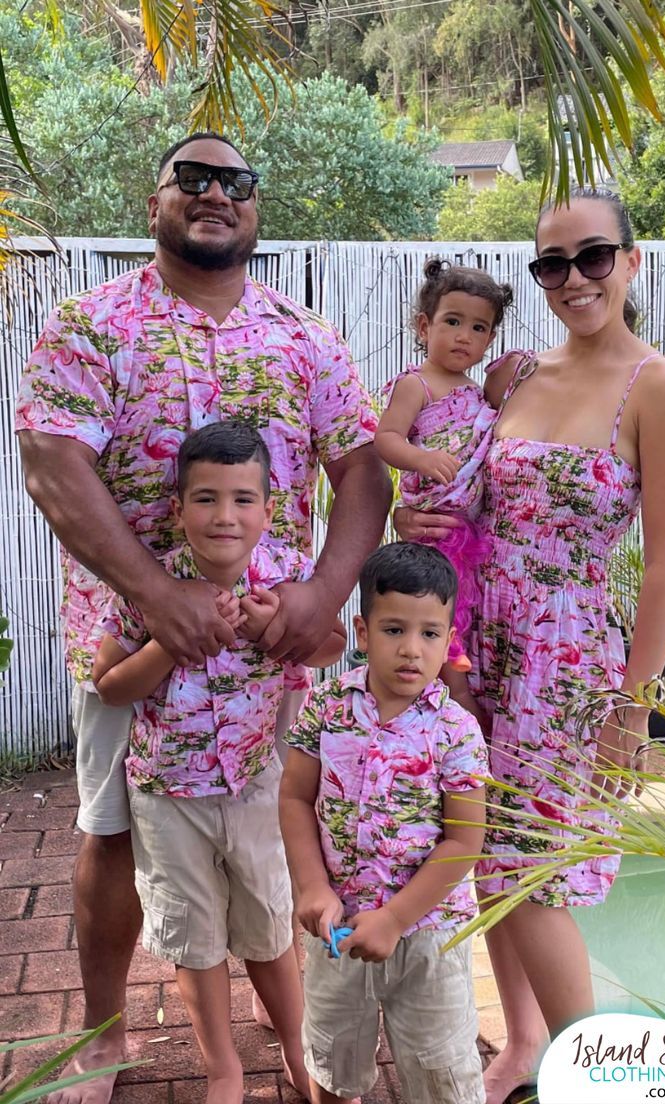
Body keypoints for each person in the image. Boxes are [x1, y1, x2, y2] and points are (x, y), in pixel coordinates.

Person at [15, 132, 391, 1104]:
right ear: (155, 203)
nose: (215, 194)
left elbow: (359, 469)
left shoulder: (303, 337)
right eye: (193, 178)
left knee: (269, 837)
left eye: (236, 182)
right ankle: (99, 1041)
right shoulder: (91, 327)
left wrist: (320, 596)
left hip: (267, 657)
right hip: (128, 647)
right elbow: (53, 463)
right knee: (109, 836)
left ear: (256, 209)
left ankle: (290, 1032)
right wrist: (154, 595)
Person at [396, 188, 665, 1104]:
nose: (574, 279)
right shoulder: (514, 377)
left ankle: (593, 1068)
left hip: (563, 663)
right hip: (474, 637)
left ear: (632, 260)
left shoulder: (659, 385)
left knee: (530, 862)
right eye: (552, 265)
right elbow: (470, 493)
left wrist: (633, 707)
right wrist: (422, 515)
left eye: (594, 256)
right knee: (482, 841)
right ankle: (525, 1039)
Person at [93, 421, 346, 1102]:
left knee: (269, 926)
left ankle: (298, 1051)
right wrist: (171, 640)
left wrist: (278, 629)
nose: (224, 516)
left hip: (260, 788)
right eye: (205, 498)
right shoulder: (150, 584)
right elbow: (110, 685)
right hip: (168, 796)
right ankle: (224, 1069)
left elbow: (331, 643)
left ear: (270, 508)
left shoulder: (288, 574)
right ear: (176, 508)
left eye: (242, 499)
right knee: (195, 941)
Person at [280, 542, 489, 1104]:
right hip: (339, 928)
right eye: (394, 629)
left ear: (449, 640)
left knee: (441, 1072)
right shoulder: (325, 709)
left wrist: (396, 918)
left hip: (430, 937)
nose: (412, 650)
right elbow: (296, 799)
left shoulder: (457, 731)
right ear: (363, 632)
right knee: (333, 1062)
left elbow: (465, 840)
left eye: (430, 633)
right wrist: (311, 886)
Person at [375, 258, 511, 731]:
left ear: (489, 340)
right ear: (424, 325)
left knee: (463, 610)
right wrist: (419, 459)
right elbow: (386, 438)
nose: (464, 336)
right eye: (452, 322)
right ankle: (457, 691)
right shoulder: (418, 385)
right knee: (435, 610)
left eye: (479, 328)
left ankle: (459, 693)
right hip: (433, 526)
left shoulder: (480, 395)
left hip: (472, 530)